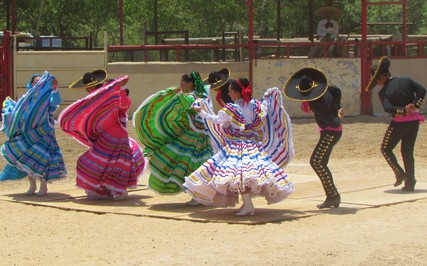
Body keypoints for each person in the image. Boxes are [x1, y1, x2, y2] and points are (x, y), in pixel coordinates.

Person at [184, 78, 294, 216]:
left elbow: (217, 120)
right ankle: (247, 204)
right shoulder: (257, 106)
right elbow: (265, 109)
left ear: (236, 93)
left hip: (237, 147)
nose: (229, 94)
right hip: (254, 147)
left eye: (230, 92)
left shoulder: (231, 109)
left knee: (240, 176)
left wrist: (201, 112)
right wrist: (267, 95)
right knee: (244, 175)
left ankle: (248, 205)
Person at [59, 70, 146, 200]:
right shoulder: (93, 99)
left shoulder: (109, 98)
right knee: (104, 164)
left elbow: (123, 105)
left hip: (116, 136)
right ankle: (111, 190)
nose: (87, 89)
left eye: (88, 87)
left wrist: (120, 88)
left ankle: (120, 190)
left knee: (105, 163)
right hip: (106, 137)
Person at [132, 71, 213, 203]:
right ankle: (198, 194)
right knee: (193, 164)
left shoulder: (193, 97)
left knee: (189, 163)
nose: (180, 86)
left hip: (195, 136)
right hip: (198, 134)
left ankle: (198, 195)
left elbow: (187, 105)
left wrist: (173, 94)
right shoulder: (203, 95)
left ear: (190, 83)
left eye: (182, 83)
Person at [283, 67, 343, 209]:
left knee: (316, 162)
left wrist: (339, 114)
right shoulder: (325, 89)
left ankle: (333, 195)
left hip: (331, 132)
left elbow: (333, 123)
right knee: (320, 163)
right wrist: (338, 105)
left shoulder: (318, 103)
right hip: (329, 132)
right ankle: (332, 196)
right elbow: (337, 90)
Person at [0, 72, 67, 196]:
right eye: (35, 82)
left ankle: (43, 186)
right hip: (28, 133)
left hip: (44, 132)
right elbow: (20, 112)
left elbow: (56, 101)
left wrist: (55, 88)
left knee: (42, 158)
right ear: (31, 84)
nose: (37, 84)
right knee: (26, 159)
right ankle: (32, 186)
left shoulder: (47, 97)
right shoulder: (26, 99)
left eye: (39, 82)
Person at [365, 56, 426, 191]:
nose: (378, 84)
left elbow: (388, 108)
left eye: (377, 81)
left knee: (385, 148)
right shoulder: (406, 80)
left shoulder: (383, 92)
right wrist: (414, 105)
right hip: (414, 121)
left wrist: (403, 111)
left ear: (382, 77)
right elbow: (422, 91)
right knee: (407, 151)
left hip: (399, 123)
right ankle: (410, 182)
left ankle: (399, 173)